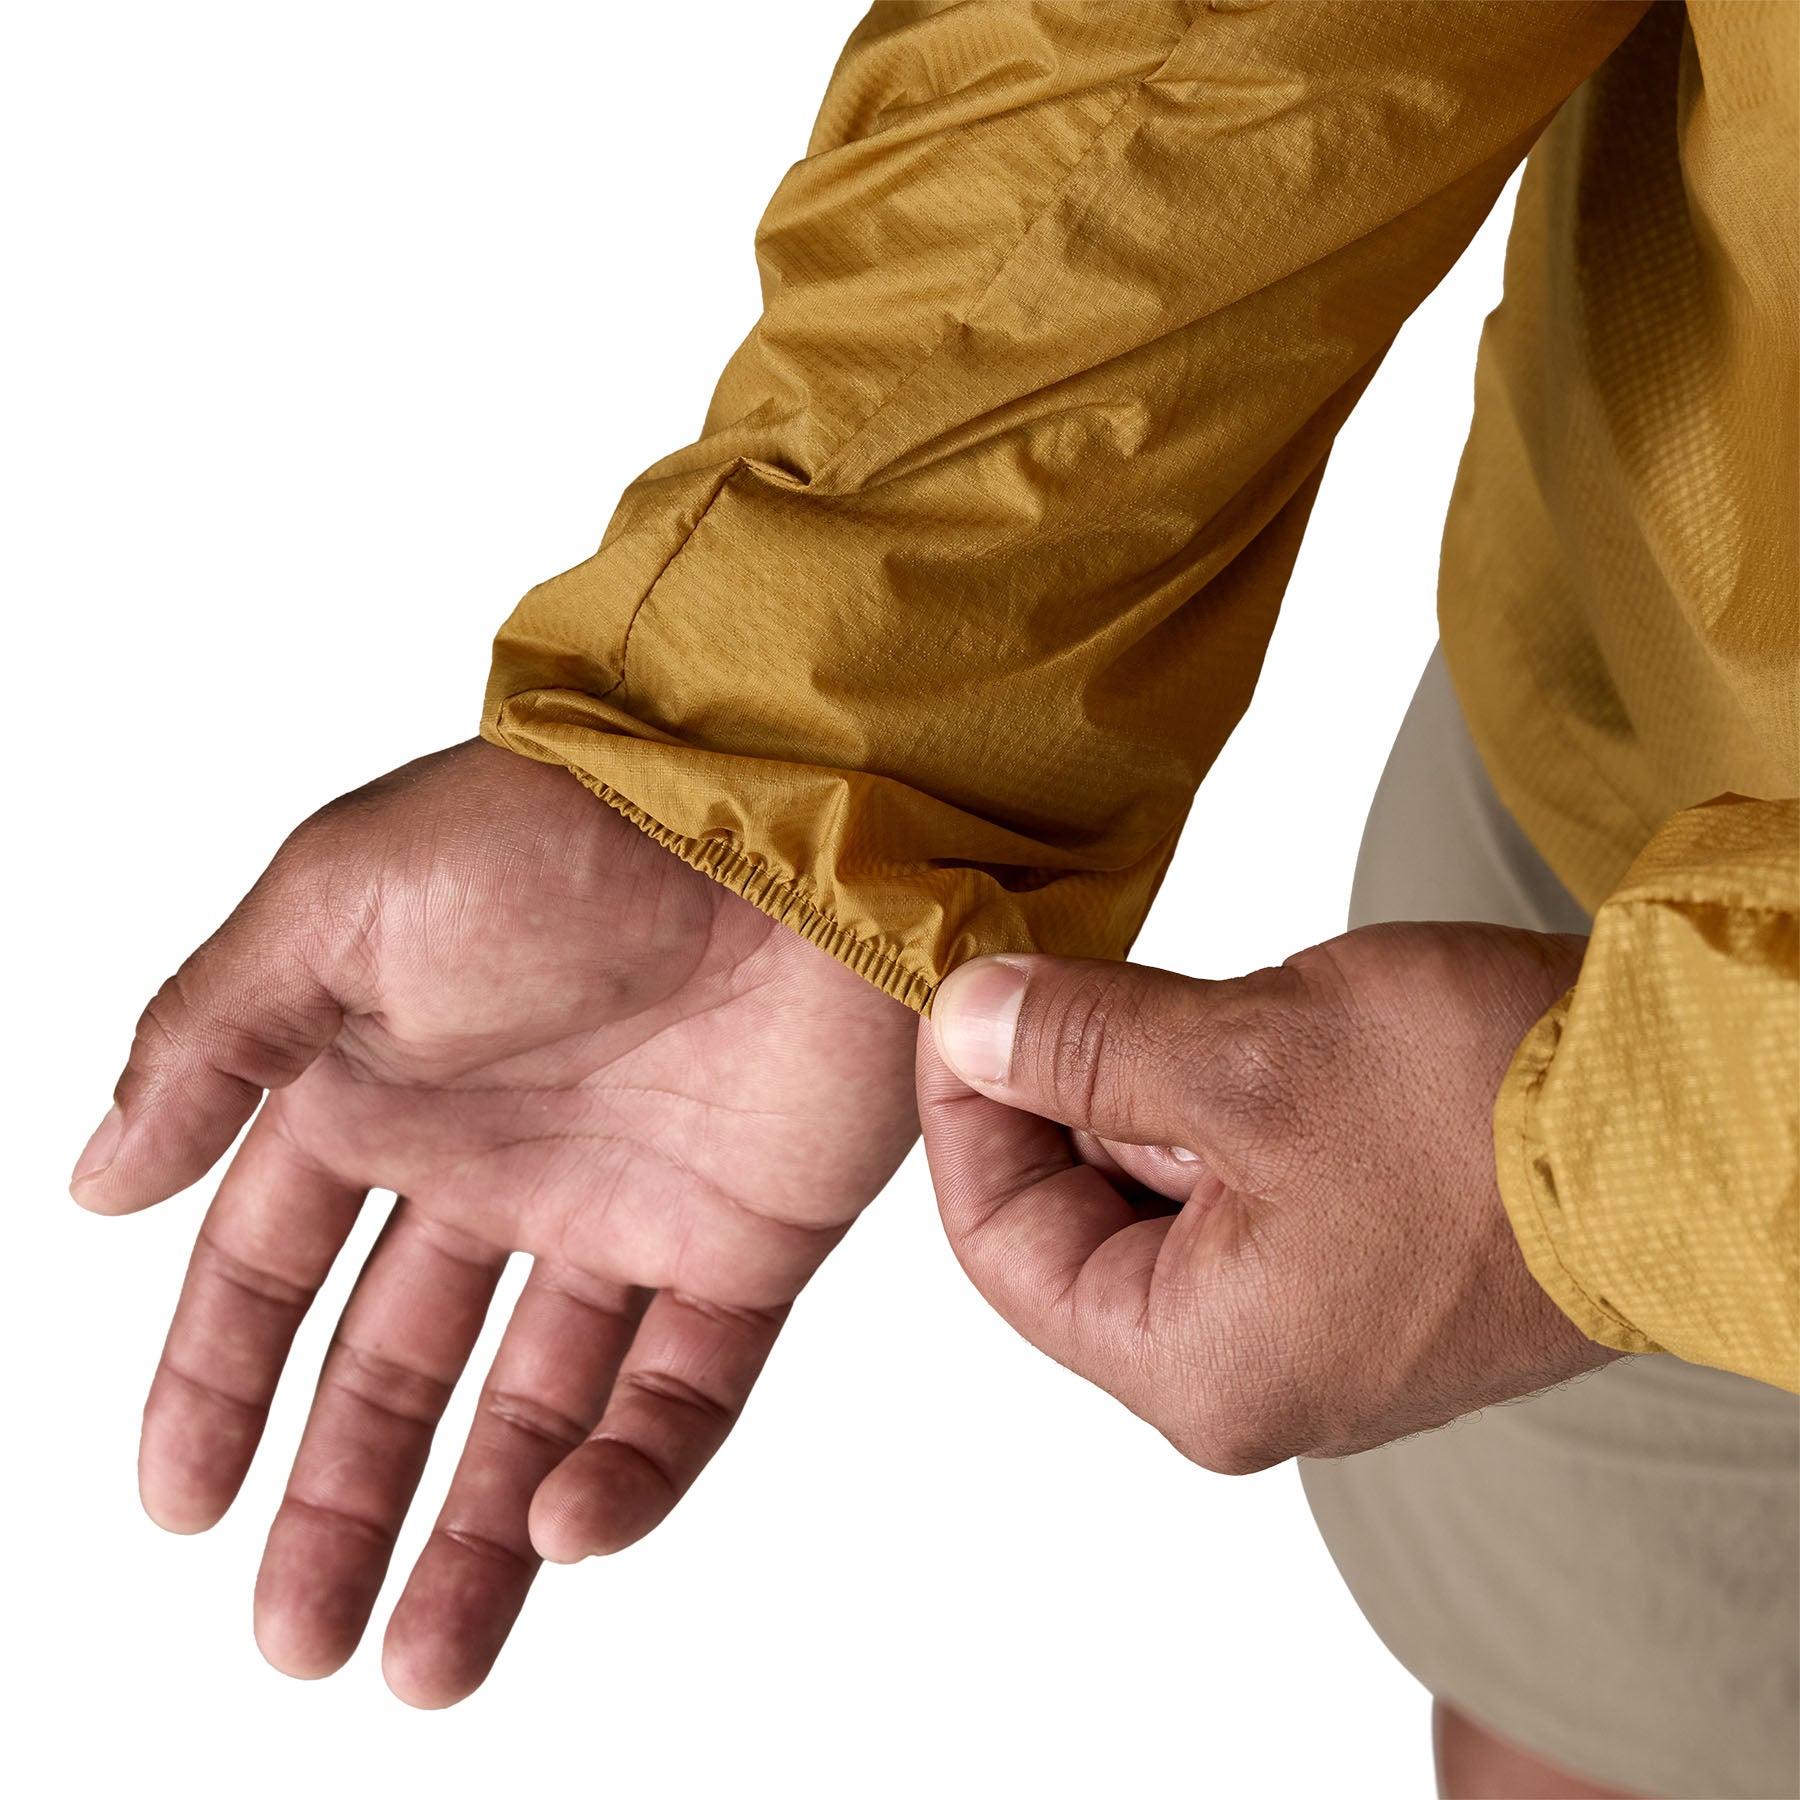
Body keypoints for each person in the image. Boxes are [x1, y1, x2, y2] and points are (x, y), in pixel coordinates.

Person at [68, 3, 1795, 1795]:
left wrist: (1619, 1160)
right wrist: (795, 743)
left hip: (1573, 1047)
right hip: (1638, 797)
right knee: (1604, 1713)